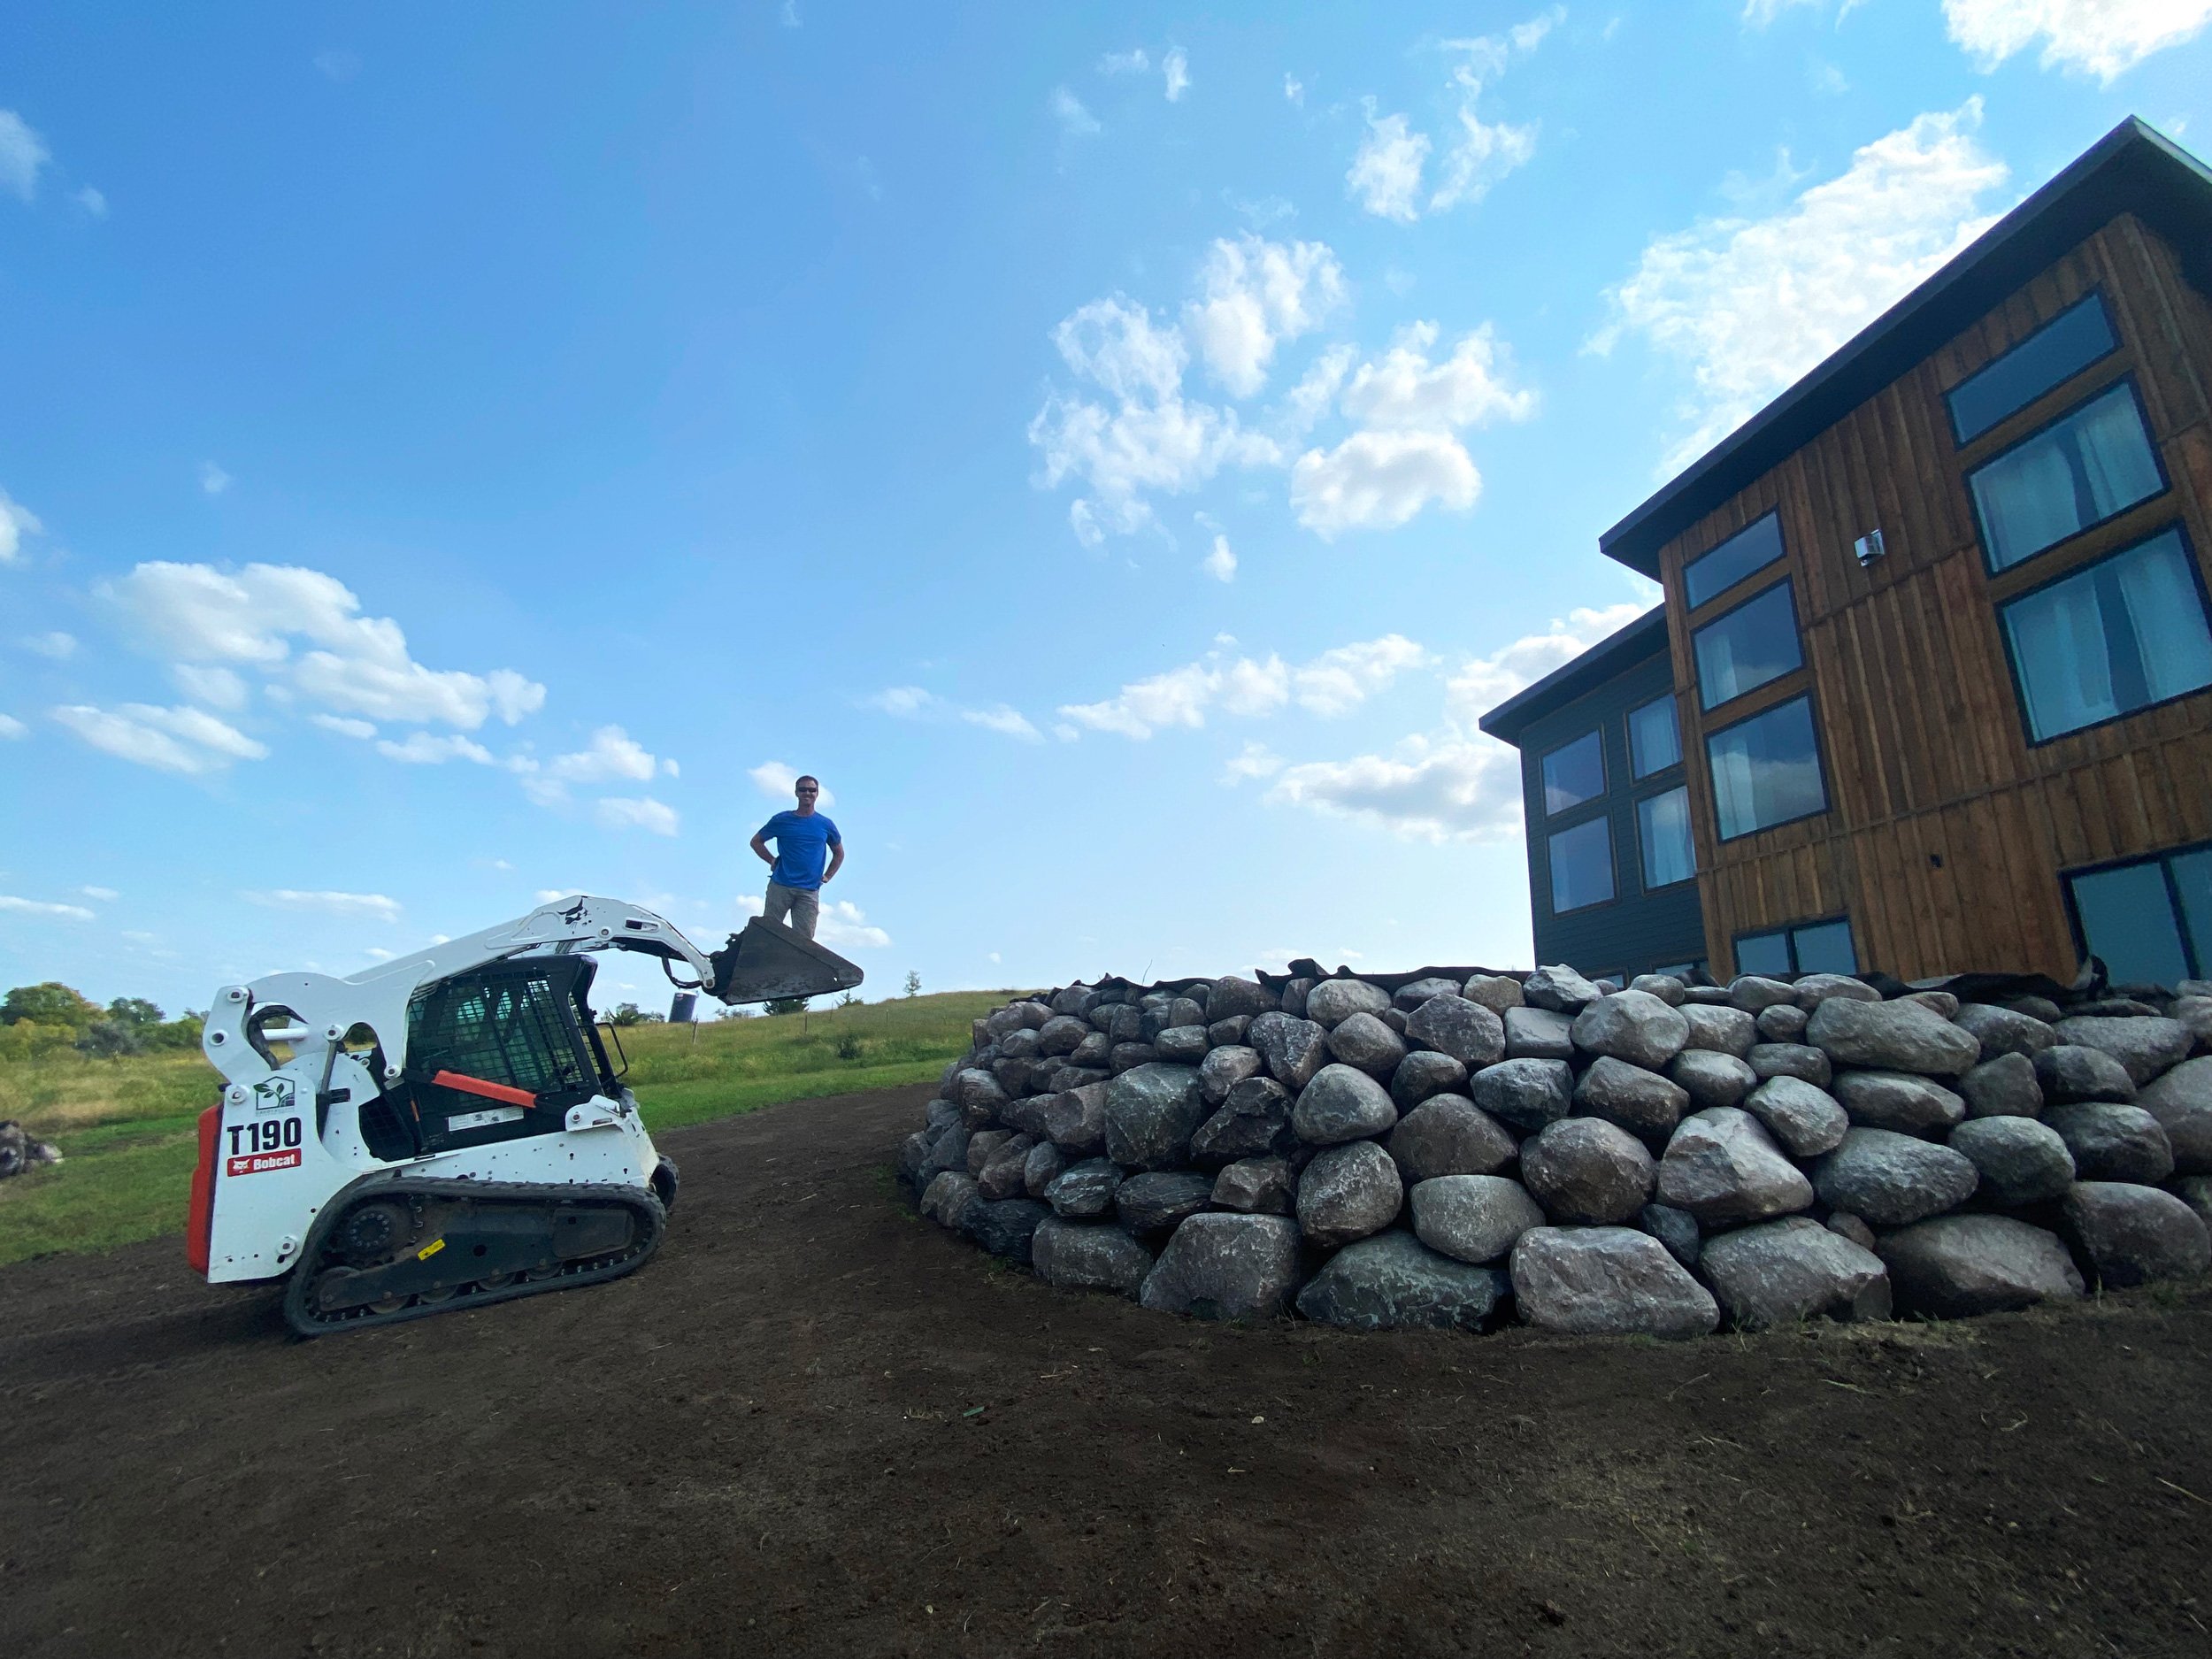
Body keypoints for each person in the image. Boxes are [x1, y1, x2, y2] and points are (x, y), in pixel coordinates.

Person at [749, 775, 842, 940]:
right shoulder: (782, 820)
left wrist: (827, 876)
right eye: (803, 789)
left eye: (811, 790)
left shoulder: (826, 824)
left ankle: (792, 966)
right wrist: (771, 860)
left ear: (817, 793)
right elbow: (756, 842)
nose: (807, 793)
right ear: (796, 793)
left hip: (809, 891)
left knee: (804, 942)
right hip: (780, 886)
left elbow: (839, 853)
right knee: (767, 934)